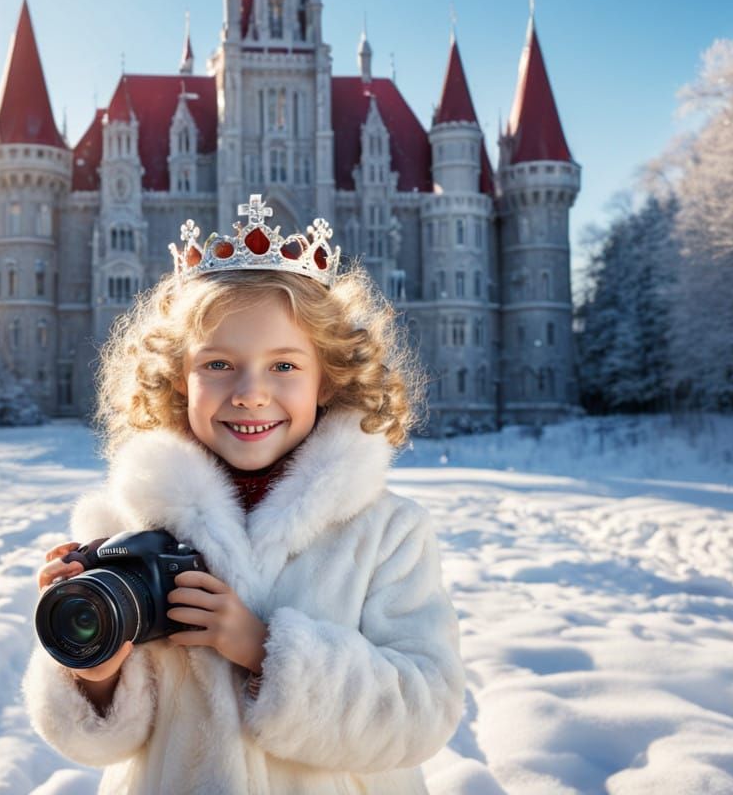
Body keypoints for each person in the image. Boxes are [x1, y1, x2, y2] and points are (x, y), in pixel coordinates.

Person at [23, 196, 465, 794]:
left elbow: (426, 709)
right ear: (178, 380)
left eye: (283, 366)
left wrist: (266, 650)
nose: (250, 393)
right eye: (218, 365)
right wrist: (92, 668)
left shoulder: (386, 533)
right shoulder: (125, 522)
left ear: (327, 378)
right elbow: (93, 740)